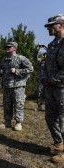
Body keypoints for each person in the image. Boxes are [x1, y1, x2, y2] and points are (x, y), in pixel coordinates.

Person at [41, 14, 64, 163]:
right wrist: (44, 78)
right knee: (50, 117)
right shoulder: (52, 45)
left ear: (61, 25)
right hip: (51, 89)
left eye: (52, 25)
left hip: (62, 88)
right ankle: (59, 143)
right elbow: (46, 65)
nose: (49, 28)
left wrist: (53, 79)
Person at [0, 42, 33, 131]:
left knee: (18, 104)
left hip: (18, 86)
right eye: (6, 46)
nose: (7, 48)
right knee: (7, 105)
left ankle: (18, 123)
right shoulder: (4, 59)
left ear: (14, 48)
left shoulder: (21, 58)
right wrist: (0, 71)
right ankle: (7, 121)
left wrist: (17, 71)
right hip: (7, 86)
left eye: (9, 47)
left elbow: (30, 69)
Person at [33, 45, 47, 112]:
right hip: (41, 80)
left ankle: (49, 108)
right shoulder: (41, 62)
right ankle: (39, 106)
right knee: (40, 93)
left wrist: (47, 48)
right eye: (44, 55)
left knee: (49, 94)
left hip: (49, 81)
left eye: (46, 55)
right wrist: (37, 51)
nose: (44, 56)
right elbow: (35, 58)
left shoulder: (52, 62)